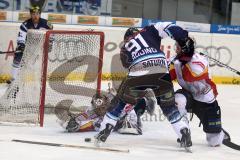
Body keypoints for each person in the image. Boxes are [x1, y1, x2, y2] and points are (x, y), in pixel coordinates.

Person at [95, 22, 194, 149]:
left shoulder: (124, 49)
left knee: (119, 104)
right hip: (162, 73)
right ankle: (183, 131)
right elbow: (171, 28)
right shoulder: (150, 30)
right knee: (168, 107)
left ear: (126, 39)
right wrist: (184, 38)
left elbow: (129, 66)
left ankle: (105, 130)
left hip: (138, 75)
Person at [169, 37, 230, 147]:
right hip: (189, 97)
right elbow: (167, 76)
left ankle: (219, 132)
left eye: (178, 47)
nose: (176, 49)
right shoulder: (176, 61)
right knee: (178, 100)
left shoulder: (199, 60)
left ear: (185, 49)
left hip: (205, 100)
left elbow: (191, 76)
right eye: (176, 46)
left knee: (214, 142)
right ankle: (184, 132)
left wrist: (183, 61)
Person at [55, 86, 143, 135]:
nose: (101, 110)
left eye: (103, 107)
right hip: (115, 119)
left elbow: (130, 106)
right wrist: (73, 124)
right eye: (98, 108)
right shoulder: (92, 111)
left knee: (139, 104)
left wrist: (130, 122)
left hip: (134, 110)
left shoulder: (116, 106)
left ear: (107, 103)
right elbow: (86, 120)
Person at [7, 5, 53, 84]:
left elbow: (52, 35)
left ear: (40, 14)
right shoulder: (25, 24)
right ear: (31, 14)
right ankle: (13, 79)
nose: (35, 16)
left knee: (36, 65)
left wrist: (50, 43)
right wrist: (21, 45)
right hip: (27, 45)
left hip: (39, 46)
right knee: (18, 54)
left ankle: (40, 80)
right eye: (33, 14)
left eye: (37, 14)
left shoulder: (46, 24)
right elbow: (21, 37)